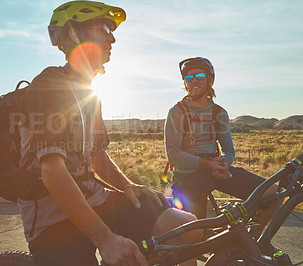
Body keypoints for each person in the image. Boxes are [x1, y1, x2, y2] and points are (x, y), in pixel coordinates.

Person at [17, 2, 202, 266]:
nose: (112, 37)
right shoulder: (51, 85)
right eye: (103, 28)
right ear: (73, 34)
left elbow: (97, 156)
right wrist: (105, 239)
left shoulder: (89, 93)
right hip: (54, 214)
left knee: (187, 229)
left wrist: (127, 185)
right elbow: (52, 171)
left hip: (94, 197)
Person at [164, 57, 278, 237]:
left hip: (216, 171)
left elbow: (229, 149)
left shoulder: (218, 113)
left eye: (199, 76)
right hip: (188, 178)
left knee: (272, 193)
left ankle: (252, 241)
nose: (194, 80)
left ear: (209, 80)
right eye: (188, 78)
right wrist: (207, 164)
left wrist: (224, 164)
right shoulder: (177, 112)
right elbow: (173, 154)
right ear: (185, 83)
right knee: (195, 236)